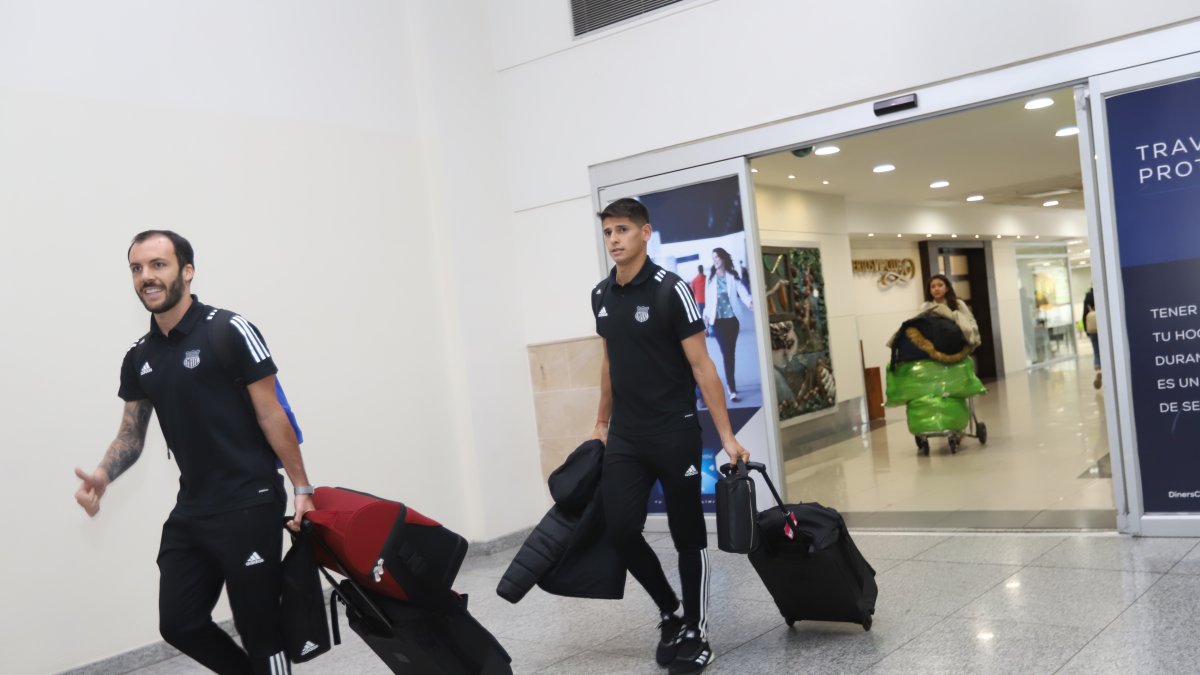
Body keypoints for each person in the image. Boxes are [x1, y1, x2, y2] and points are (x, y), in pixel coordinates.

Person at [73, 231, 313, 675]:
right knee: (179, 623)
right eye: (137, 268)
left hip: (250, 499)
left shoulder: (228, 329)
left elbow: (272, 413)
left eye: (158, 265)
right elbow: (131, 433)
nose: (146, 276)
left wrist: (302, 487)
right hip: (194, 508)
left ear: (186, 271)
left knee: (260, 629)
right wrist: (103, 476)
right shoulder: (138, 356)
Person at [591, 198, 751, 675]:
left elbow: (703, 366)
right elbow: (609, 361)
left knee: (687, 537)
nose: (614, 239)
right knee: (619, 529)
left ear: (645, 233)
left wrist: (725, 436)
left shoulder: (671, 290)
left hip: (673, 432)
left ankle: (698, 631)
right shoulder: (601, 294)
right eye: (608, 232)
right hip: (626, 436)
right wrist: (601, 421)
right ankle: (670, 612)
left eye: (622, 230)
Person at [704, 247, 754, 401]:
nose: (715, 261)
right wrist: (705, 322)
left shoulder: (732, 276)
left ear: (723, 258)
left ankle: (730, 384)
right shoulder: (710, 278)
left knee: (730, 353)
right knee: (726, 353)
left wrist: (751, 303)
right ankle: (732, 388)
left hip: (732, 321)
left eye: (717, 257)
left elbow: (743, 293)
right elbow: (708, 301)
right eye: (713, 258)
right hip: (717, 322)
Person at [921, 274, 981, 349]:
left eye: (940, 285)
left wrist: (971, 337)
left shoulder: (958, 303)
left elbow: (970, 321)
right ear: (929, 291)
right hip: (935, 344)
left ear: (947, 288)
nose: (936, 289)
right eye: (933, 286)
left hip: (957, 341)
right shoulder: (926, 306)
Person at [1083, 287, 1101, 388]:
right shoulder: (1102, 294)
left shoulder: (1088, 297)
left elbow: (1084, 314)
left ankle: (1098, 370)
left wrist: (1087, 331)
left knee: (1096, 352)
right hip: (1103, 329)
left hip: (1093, 329)